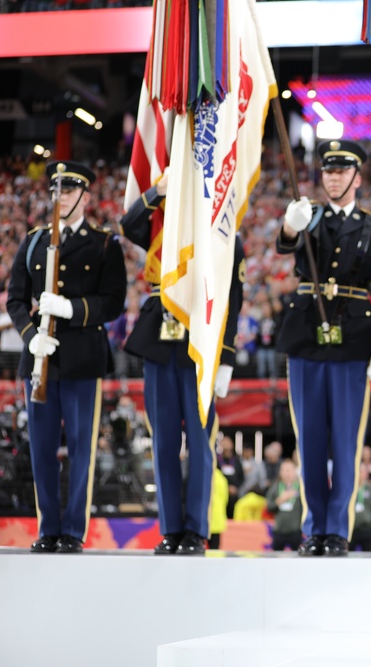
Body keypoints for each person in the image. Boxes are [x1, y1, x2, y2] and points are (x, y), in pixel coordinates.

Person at [119, 172, 244, 555]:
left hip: (200, 344)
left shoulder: (223, 231)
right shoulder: (162, 222)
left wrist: (226, 357)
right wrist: (158, 191)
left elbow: (233, 298)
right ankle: (171, 528)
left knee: (201, 444)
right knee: (165, 441)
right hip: (160, 342)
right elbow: (129, 224)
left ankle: (195, 530)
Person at [6, 160, 126, 554]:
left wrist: (70, 308)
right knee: (40, 448)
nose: (62, 197)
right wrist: (30, 338)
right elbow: (15, 300)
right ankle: (48, 528)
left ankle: (73, 530)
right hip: (41, 359)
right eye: (57, 190)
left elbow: (112, 303)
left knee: (80, 448)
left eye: (70, 191)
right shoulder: (34, 241)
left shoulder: (104, 244)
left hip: (81, 359)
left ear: (86, 196)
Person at [279, 138, 371, 557]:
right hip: (306, 338)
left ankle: (338, 528)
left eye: (341, 170)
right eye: (327, 171)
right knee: (311, 441)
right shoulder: (307, 217)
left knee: (346, 443)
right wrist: (290, 226)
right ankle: (313, 527)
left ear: (357, 176)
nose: (333, 177)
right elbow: (287, 246)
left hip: (354, 340)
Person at [266, 459, 303, 552]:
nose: (287, 473)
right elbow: (268, 507)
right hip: (279, 531)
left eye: (289, 470)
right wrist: (280, 500)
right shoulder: (275, 487)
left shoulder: (301, 487)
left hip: (296, 531)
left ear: (295, 471)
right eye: (284, 470)